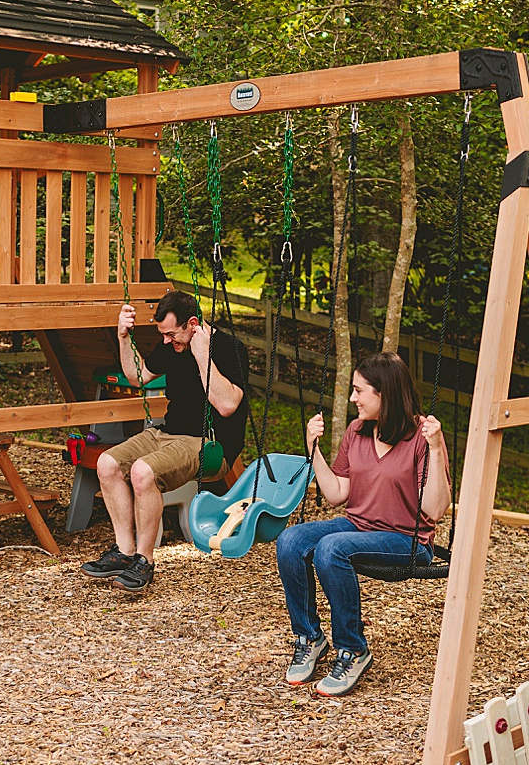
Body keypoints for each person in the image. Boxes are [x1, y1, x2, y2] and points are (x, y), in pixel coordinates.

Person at [276, 351, 451, 696]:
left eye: (360, 391)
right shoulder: (357, 431)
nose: (353, 398)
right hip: (359, 526)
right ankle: (309, 637)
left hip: (406, 540)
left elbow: (433, 509)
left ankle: (352, 648)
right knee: (291, 540)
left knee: (331, 547)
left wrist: (436, 448)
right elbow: (337, 493)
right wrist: (314, 450)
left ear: (384, 392)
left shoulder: (420, 437)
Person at [80, 289, 249, 594]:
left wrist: (202, 355)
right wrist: (123, 337)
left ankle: (145, 561)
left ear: (192, 323)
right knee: (107, 464)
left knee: (143, 472)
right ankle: (125, 551)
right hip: (165, 434)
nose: (167, 341)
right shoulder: (171, 345)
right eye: (163, 335)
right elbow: (136, 376)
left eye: (172, 334)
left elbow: (226, 406)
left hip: (208, 443)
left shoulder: (228, 347)